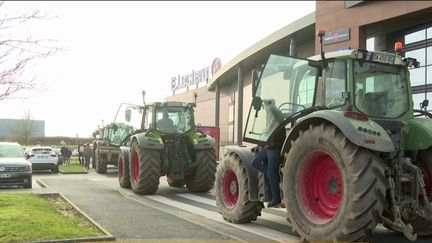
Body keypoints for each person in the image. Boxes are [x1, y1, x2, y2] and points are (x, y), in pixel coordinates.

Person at [250, 134, 284, 208]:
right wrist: (259, 145)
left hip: (274, 150)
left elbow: (275, 137)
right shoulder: (270, 124)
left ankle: (276, 198)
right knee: (255, 162)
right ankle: (273, 175)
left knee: (271, 174)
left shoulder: (277, 125)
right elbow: (266, 135)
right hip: (267, 149)